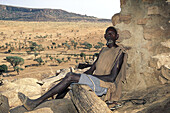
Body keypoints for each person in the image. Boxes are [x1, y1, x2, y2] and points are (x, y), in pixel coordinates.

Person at [18, 26, 128, 111]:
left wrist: (87, 76)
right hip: (95, 80)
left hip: (105, 85)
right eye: (107, 34)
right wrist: (82, 75)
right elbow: (91, 69)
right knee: (70, 79)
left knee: (70, 77)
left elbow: (112, 77)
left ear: (116, 37)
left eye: (111, 34)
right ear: (104, 36)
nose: (109, 36)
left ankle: (36, 102)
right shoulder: (103, 50)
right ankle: (56, 103)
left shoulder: (119, 52)